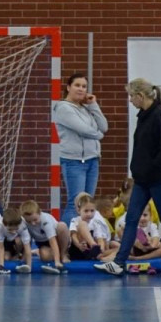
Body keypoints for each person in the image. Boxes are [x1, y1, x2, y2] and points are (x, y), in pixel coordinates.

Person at [95, 78, 161, 278]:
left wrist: (149, 170)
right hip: (142, 180)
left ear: (140, 96)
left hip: (158, 180)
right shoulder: (143, 116)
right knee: (131, 218)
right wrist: (137, 171)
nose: (130, 100)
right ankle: (119, 262)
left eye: (131, 96)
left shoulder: (160, 116)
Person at [52, 74, 108, 226]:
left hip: (92, 159)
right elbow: (84, 130)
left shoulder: (85, 108)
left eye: (84, 86)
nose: (81, 89)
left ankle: (81, 239)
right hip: (74, 162)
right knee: (75, 203)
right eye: (77, 85)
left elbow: (104, 125)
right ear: (69, 87)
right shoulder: (63, 107)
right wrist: (99, 135)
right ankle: (64, 240)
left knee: (87, 205)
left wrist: (93, 105)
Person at [19, 201, 69, 274]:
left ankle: (63, 254)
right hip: (42, 241)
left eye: (35, 219)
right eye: (29, 221)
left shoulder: (45, 220)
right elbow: (27, 240)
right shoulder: (23, 221)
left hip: (57, 238)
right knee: (45, 257)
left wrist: (57, 262)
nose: (33, 223)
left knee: (62, 226)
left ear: (40, 213)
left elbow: (53, 241)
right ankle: (38, 251)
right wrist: (25, 258)